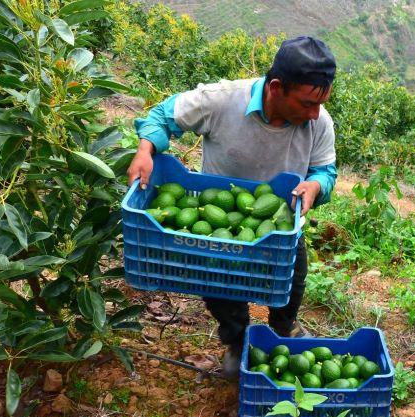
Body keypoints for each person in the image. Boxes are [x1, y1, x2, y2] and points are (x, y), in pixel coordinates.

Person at [126, 36, 338, 378]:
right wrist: (144, 150)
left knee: (293, 274)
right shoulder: (223, 100)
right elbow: (163, 115)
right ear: (276, 87)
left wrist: (315, 185)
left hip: (278, 221)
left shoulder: (319, 121)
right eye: (306, 103)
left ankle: (283, 328)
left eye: (321, 103)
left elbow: (325, 170)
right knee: (219, 282)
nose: (315, 113)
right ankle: (238, 339)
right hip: (219, 222)